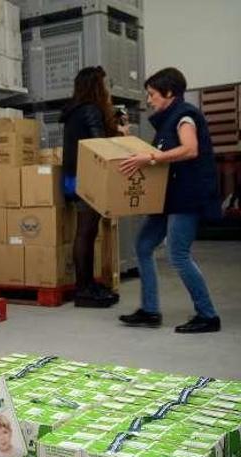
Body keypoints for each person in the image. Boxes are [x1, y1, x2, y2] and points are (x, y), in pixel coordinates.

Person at [118, 67, 221, 333]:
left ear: (169, 93)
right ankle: (150, 310)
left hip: (186, 196)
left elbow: (189, 149)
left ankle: (208, 315)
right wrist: (128, 138)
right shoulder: (166, 121)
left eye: (152, 94)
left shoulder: (185, 116)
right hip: (168, 196)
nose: (149, 100)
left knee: (178, 254)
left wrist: (150, 158)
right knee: (143, 245)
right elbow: (157, 153)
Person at [59, 66, 121, 308]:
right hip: (87, 179)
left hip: (72, 178)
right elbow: (99, 145)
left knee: (86, 232)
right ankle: (83, 290)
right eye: (104, 85)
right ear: (97, 87)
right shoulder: (91, 111)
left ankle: (86, 285)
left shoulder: (74, 112)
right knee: (86, 232)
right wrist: (118, 134)